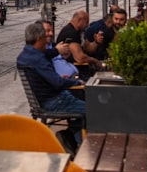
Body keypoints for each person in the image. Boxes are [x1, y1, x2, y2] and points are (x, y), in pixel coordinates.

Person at [17, 21, 85, 151]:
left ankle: (71, 138)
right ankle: (73, 139)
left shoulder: (25, 55)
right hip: (54, 101)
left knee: (84, 106)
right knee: (94, 110)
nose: (47, 43)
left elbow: (51, 79)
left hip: (45, 100)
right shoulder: (38, 58)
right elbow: (58, 83)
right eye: (44, 39)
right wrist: (76, 82)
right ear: (38, 39)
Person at [55, 10, 104, 76]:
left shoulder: (80, 32)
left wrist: (96, 42)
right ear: (79, 20)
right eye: (86, 22)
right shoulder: (70, 33)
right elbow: (80, 58)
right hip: (75, 72)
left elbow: (88, 49)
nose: (87, 25)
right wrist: (94, 61)